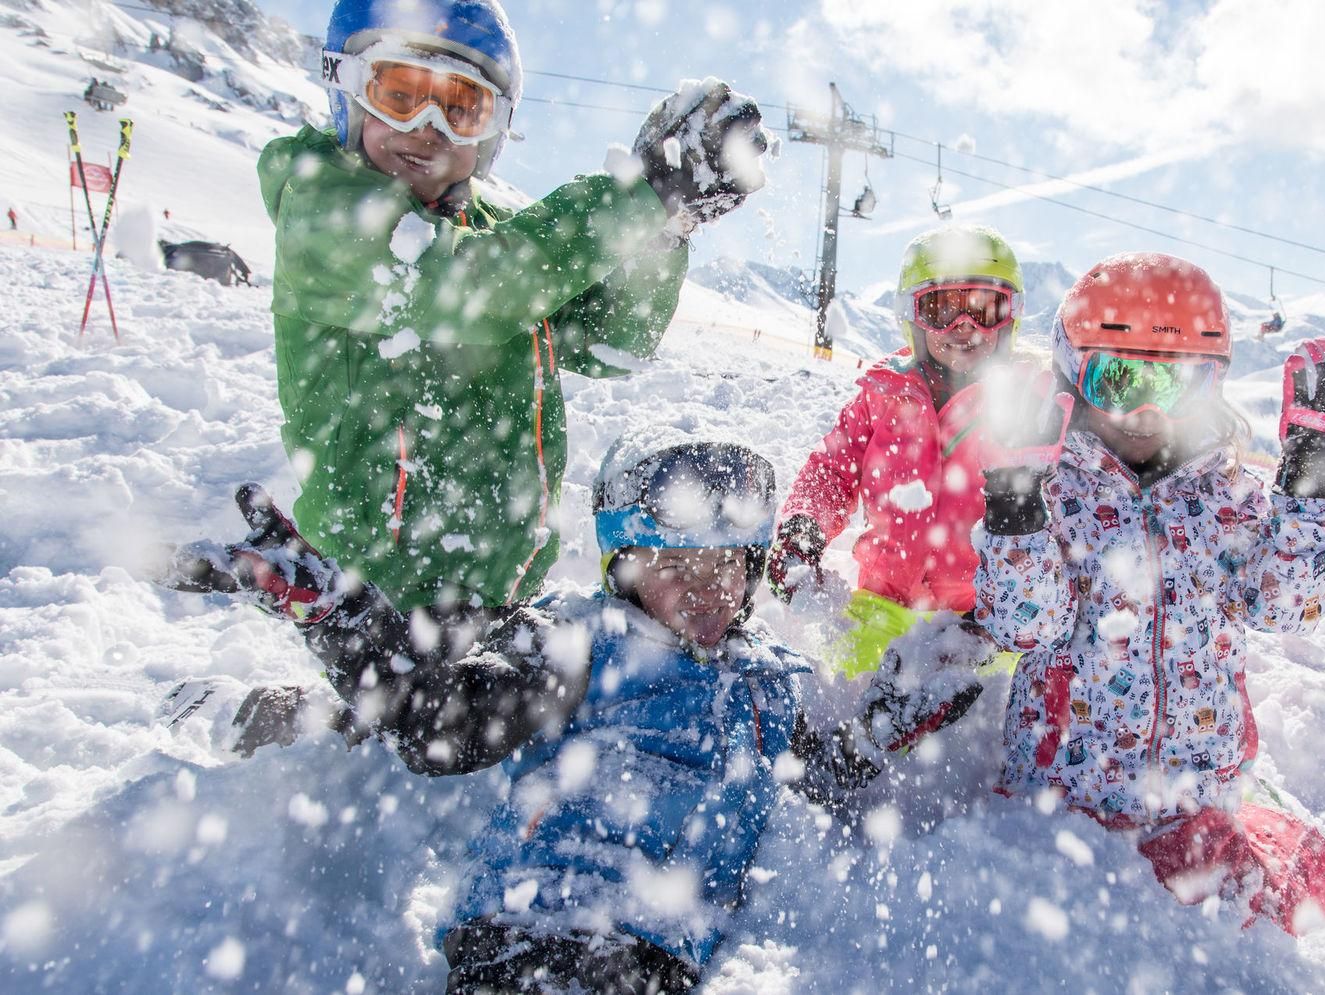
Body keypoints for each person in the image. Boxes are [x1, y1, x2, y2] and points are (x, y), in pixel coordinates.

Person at [159, 429, 991, 993]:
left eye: (726, 564)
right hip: (535, 933)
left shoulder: (772, 680)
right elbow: (438, 725)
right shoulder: (577, 641)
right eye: (674, 565)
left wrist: (884, 723)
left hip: (658, 957)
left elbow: (823, 773)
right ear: (621, 567)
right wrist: (336, 612)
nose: (707, 588)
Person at [259, 0, 771, 618]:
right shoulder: (323, 210)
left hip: (497, 595)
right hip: (374, 601)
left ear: (493, 131)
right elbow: (470, 288)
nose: (428, 127)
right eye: (399, 95)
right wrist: (639, 197)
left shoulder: (499, 238)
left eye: (461, 108)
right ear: (346, 90)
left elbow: (613, 341)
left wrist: (663, 230)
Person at [972, 251, 1325, 935]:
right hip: (1065, 803)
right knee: (1089, 929)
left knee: (1269, 902)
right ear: (1072, 373)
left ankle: (1249, 829)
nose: (1147, 411)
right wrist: (1016, 498)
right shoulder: (1056, 487)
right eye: (1119, 379)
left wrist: (1310, 466)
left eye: (1178, 382)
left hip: (1192, 804)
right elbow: (1023, 623)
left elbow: (1287, 605)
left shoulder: (1224, 495)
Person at [767, 224, 1027, 677]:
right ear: (913, 316)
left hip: (979, 619)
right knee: (846, 698)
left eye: (983, 309)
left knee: (979, 714)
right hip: (882, 605)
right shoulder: (883, 395)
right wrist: (804, 525)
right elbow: (832, 470)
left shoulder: (1024, 407)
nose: (963, 326)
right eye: (943, 309)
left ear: (1009, 318)